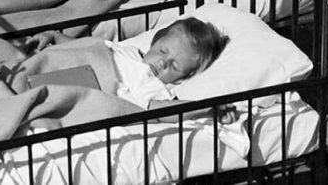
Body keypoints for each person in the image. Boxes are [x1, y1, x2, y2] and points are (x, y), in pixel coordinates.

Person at [24, 17, 236, 122]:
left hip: (83, 87)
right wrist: (54, 37)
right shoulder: (129, 51)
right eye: (163, 51)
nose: (162, 63)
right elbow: (87, 47)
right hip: (67, 64)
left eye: (174, 66)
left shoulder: (153, 84)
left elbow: (161, 111)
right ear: (155, 42)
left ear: (181, 78)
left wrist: (208, 108)